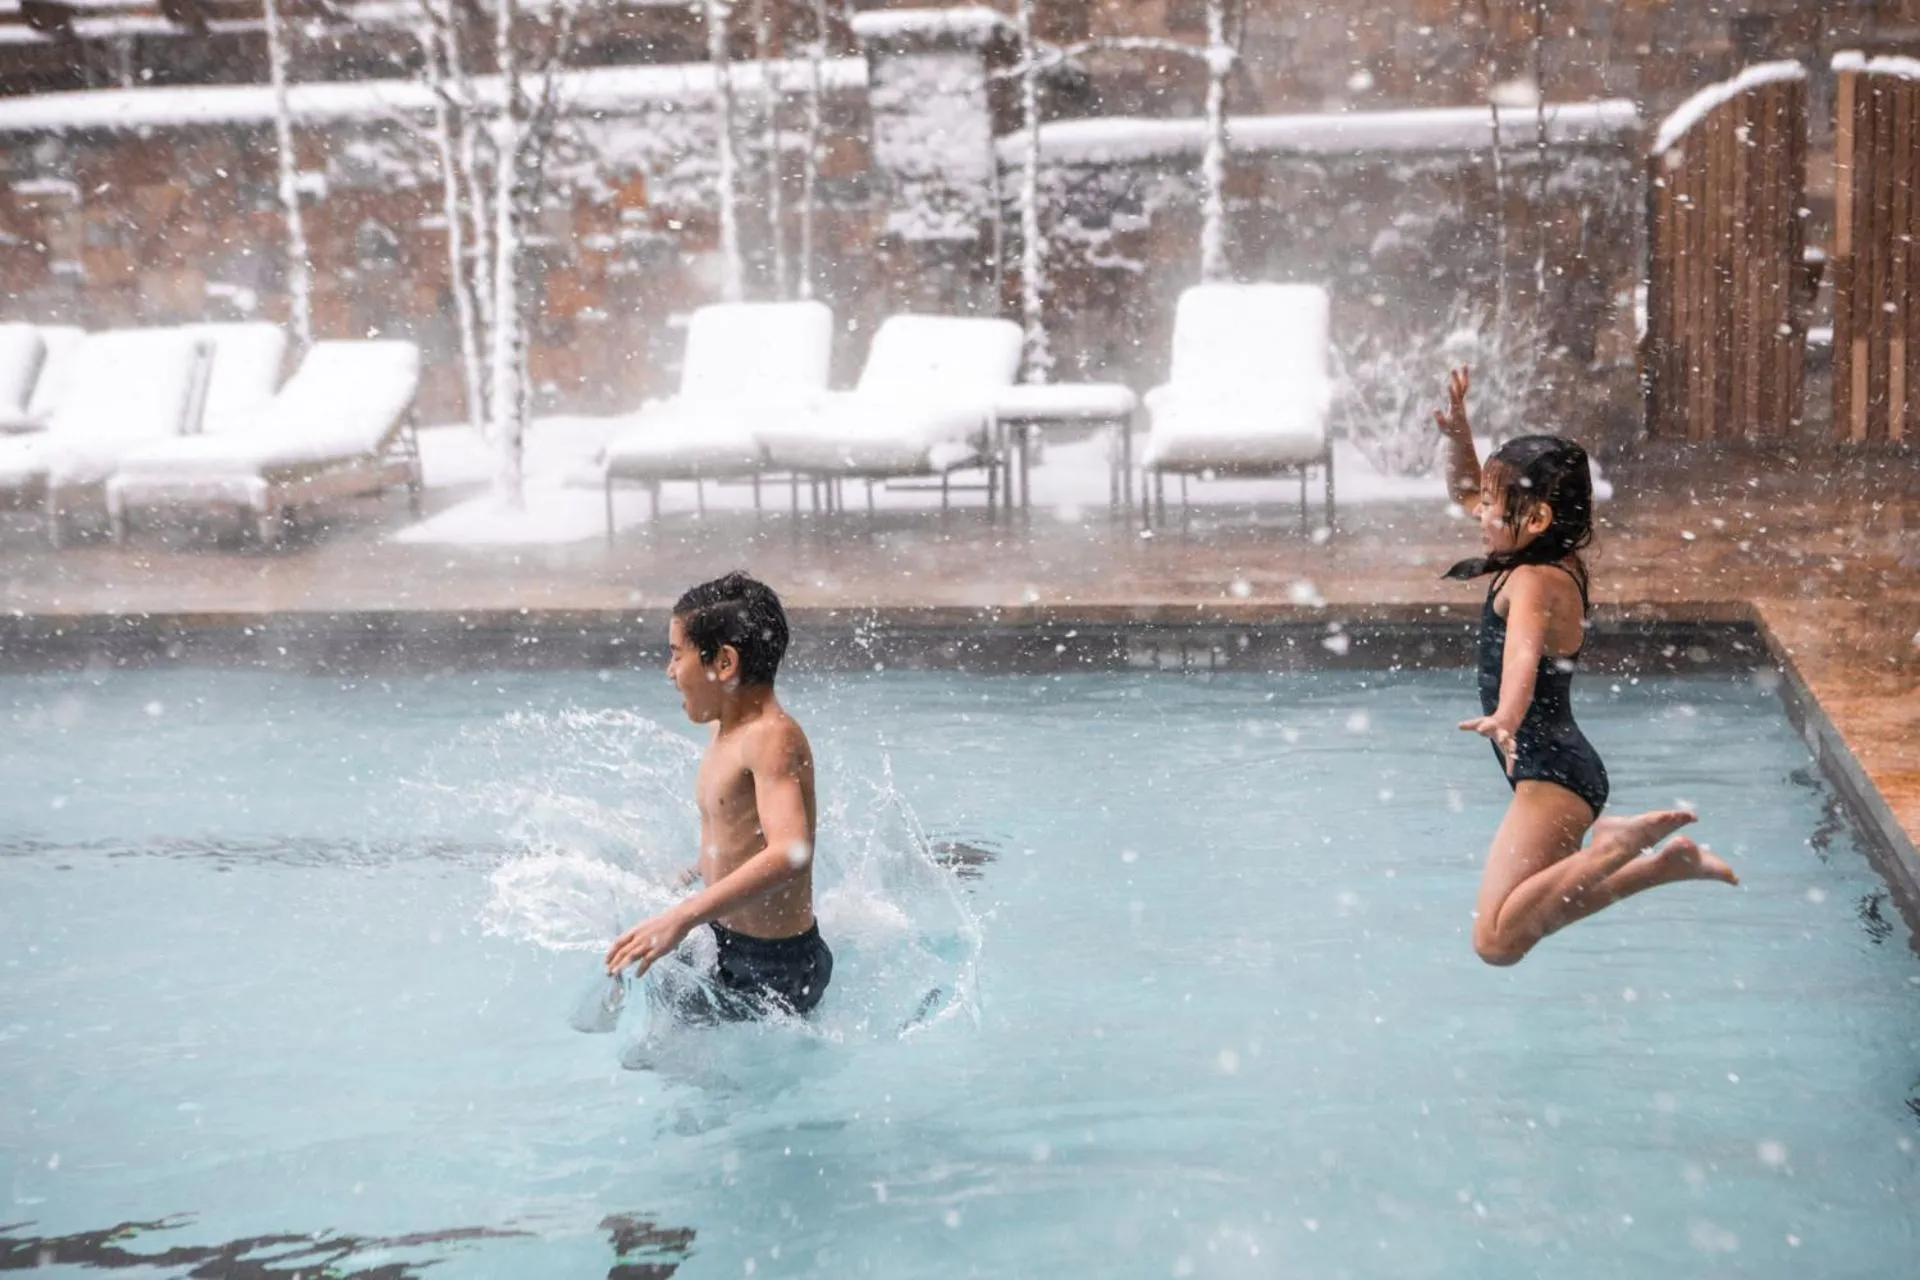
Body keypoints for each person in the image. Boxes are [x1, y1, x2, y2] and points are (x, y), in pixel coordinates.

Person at [1433, 367, 1736, 966]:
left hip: (1553, 774)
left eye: (1492, 504)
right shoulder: (1551, 556)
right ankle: (1661, 866)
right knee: (1529, 919)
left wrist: (1506, 716)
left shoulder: (1533, 582)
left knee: (1496, 942)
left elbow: (1522, 656)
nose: (1477, 512)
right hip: (1560, 767)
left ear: (1537, 519)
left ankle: (1616, 847)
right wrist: (1459, 433)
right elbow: (1466, 488)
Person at [604, 572, 832, 1018]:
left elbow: (790, 850)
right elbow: (740, 828)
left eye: (676, 655)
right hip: (722, 938)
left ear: (723, 663)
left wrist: (681, 916)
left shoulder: (770, 736)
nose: (670, 672)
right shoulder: (726, 728)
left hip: (774, 964)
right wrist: (697, 870)